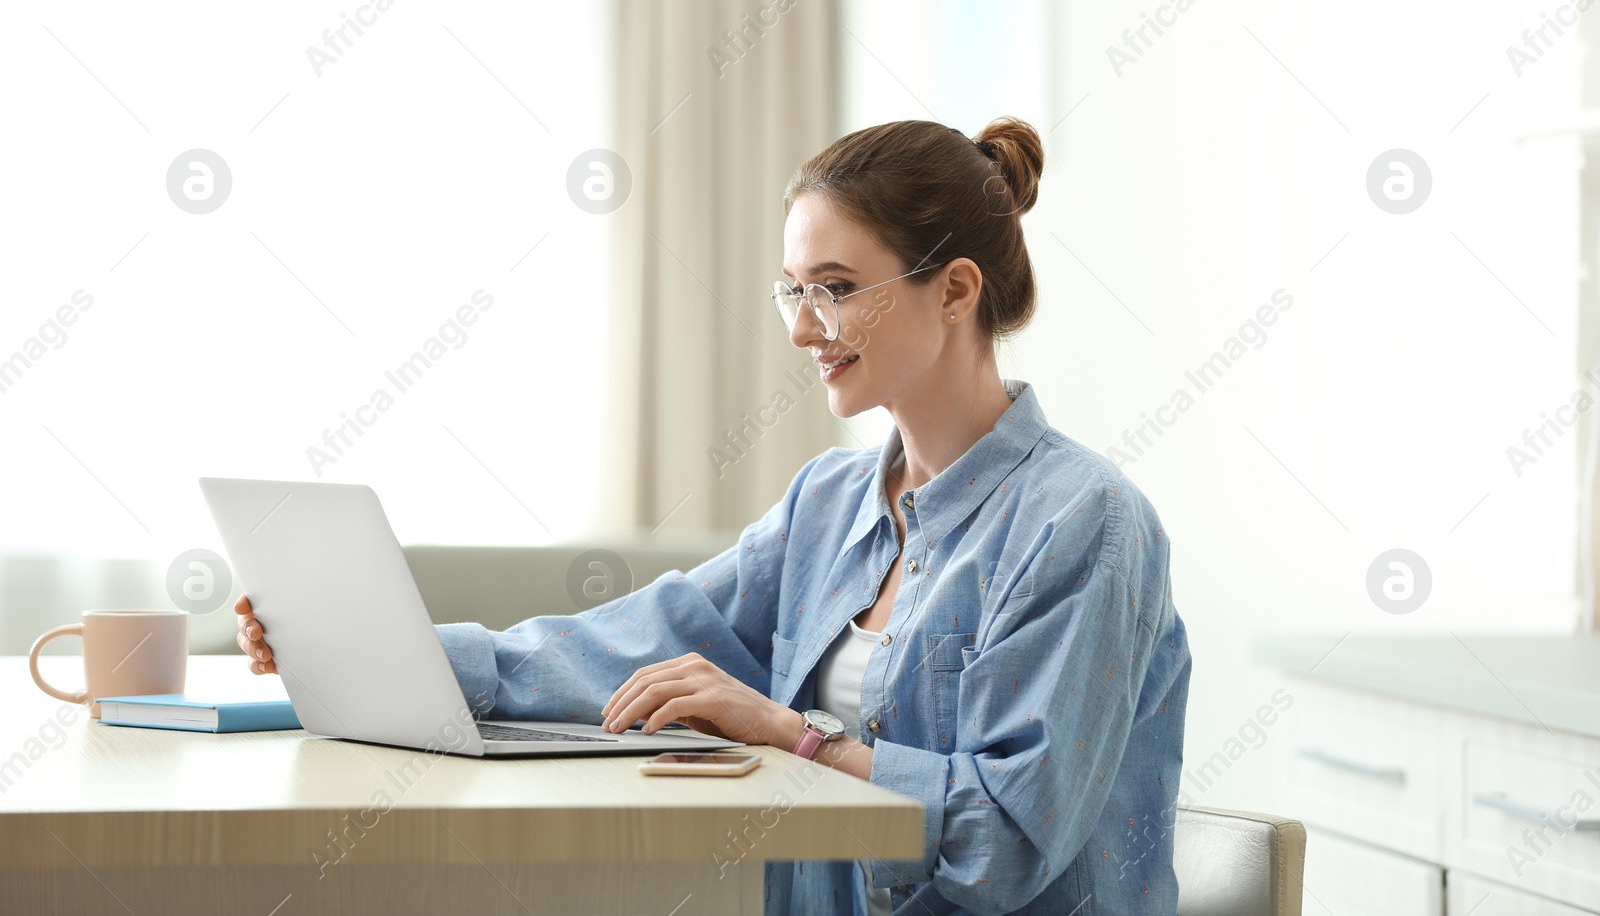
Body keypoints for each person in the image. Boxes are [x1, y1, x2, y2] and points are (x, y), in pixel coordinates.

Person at [237, 116, 1192, 914]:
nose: (802, 327)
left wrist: (792, 733)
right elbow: (635, 645)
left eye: (836, 287)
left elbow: (1009, 845)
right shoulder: (830, 502)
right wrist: (380, 650)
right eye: (793, 289)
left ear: (954, 289)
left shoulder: (1085, 524)